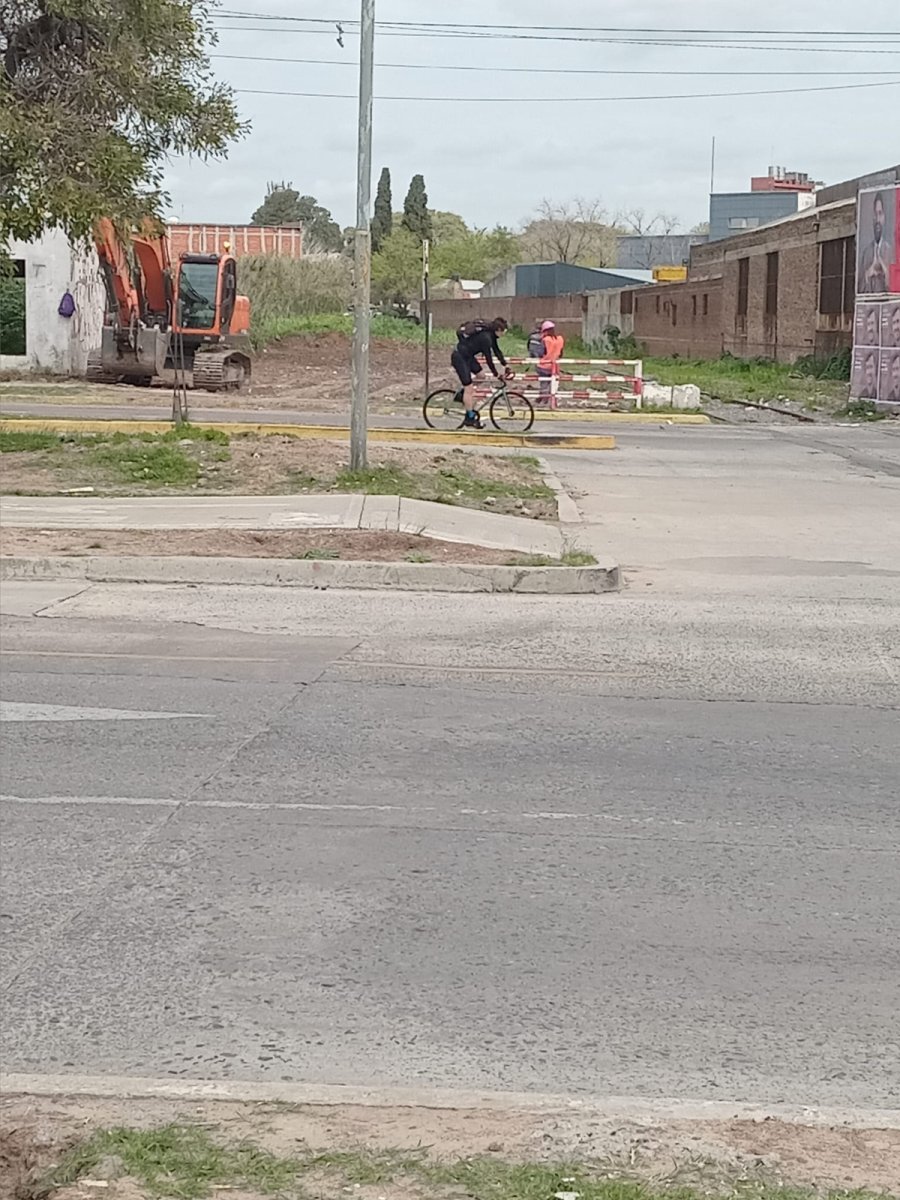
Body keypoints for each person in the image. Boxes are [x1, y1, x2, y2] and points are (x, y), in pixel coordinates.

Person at [451, 317, 512, 428]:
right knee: (469, 388)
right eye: (504, 331)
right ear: (498, 329)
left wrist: (506, 365)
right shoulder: (486, 338)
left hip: (468, 356)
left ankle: (462, 395)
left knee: (481, 376)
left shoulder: (491, 335)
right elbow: (489, 359)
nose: (504, 334)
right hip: (459, 357)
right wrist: (496, 374)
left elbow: (497, 351)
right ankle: (469, 418)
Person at [858, 191, 894, 295]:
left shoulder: (891, 252)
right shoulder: (866, 253)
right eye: (875, 214)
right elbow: (859, 289)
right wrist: (868, 273)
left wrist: (884, 270)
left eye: (880, 213)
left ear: (884, 217)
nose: (877, 219)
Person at [535, 320, 565, 407]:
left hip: (543, 366)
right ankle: (551, 400)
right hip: (554, 367)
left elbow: (540, 353)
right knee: (553, 384)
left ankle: (543, 398)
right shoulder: (560, 339)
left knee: (544, 383)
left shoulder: (545, 340)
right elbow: (561, 354)